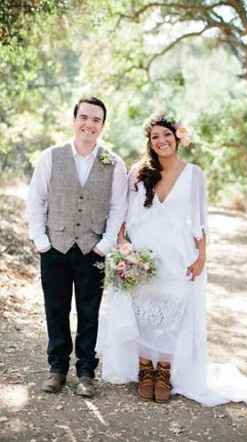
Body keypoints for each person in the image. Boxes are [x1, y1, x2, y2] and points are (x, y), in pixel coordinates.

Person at [96, 113, 247, 406]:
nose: (161, 141)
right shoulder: (138, 172)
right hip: (142, 254)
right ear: (149, 142)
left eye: (166, 135)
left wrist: (202, 256)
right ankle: (144, 369)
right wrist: (123, 245)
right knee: (141, 310)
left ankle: (164, 370)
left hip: (178, 253)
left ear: (177, 137)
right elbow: (124, 215)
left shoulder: (194, 174)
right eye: (155, 137)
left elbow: (200, 220)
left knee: (173, 312)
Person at [26, 96, 128, 397]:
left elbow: (118, 207)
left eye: (96, 120)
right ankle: (57, 368)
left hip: (92, 249)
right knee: (55, 309)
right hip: (54, 246)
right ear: (74, 120)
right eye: (84, 117)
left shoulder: (114, 163)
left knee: (89, 312)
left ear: (102, 125)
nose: (89, 124)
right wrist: (41, 240)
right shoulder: (51, 156)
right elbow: (36, 199)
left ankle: (85, 371)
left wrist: (106, 243)